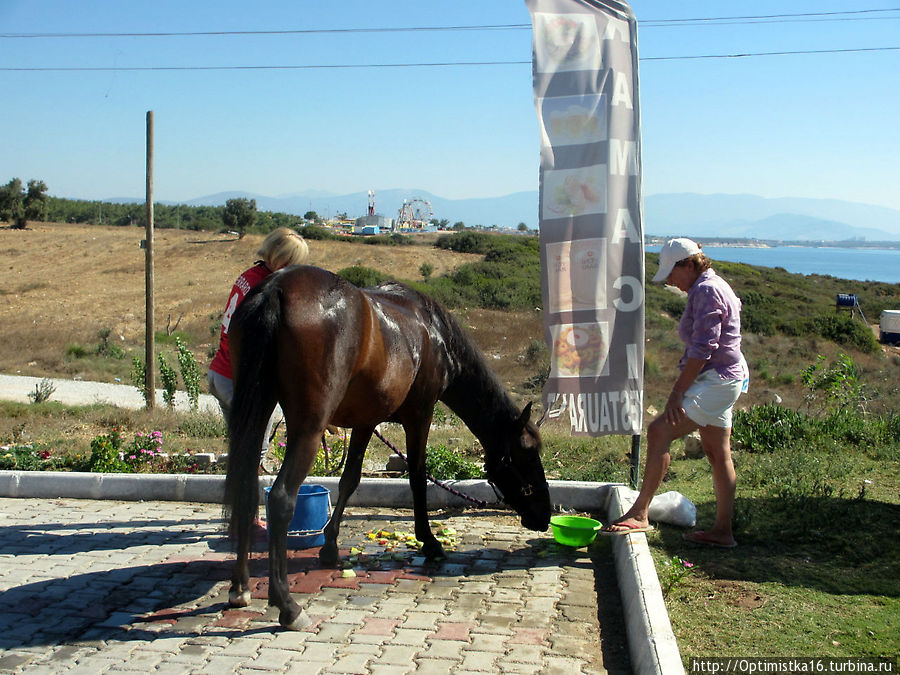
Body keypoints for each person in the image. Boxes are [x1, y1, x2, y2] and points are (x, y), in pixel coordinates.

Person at [602, 238, 748, 548]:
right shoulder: (711, 285)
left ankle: (640, 513)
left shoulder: (707, 290)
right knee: (716, 451)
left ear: (691, 264)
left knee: (659, 431)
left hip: (718, 379)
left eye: (672, 272)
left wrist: (677, 394)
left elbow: (704, 348)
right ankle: (723, 531)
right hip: (725, 377)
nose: (669, 280)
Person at [208, 227, 309, 465]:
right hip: (235, 379)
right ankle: (251, 496)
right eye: (292, 262)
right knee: (254, 452)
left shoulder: (250, 275)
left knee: (241, 446)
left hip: (219, 372)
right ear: (281, 258)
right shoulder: (265, 287)